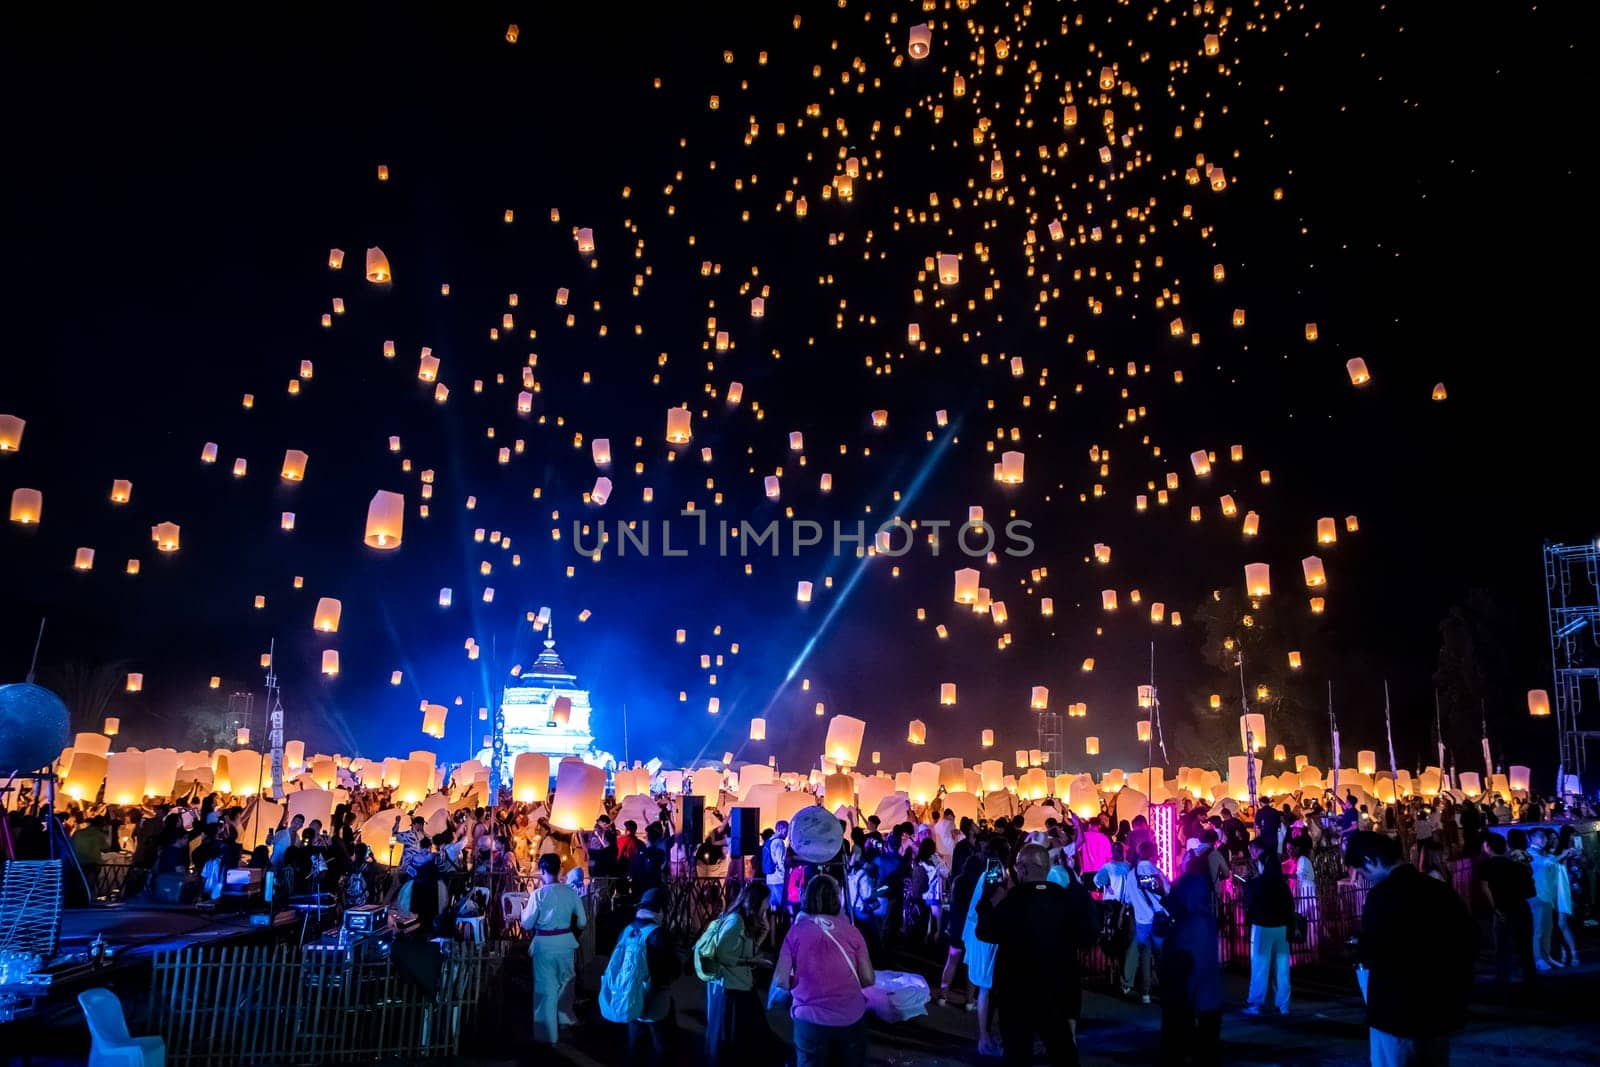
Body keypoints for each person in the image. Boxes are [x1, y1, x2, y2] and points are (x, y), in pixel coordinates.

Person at [1346, 831, 1476, 1065]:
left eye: (1364, 872)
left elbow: (1377, 950)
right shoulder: (1439, 890)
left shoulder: (1382, 896)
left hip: (1396, 1008)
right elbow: (1468, 940)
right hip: (1440, 1005)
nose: (1366, 878)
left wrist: (1360, 947)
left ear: (1369, 860)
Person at [976, 843, 1096, 1066]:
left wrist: (986, 901)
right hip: (1057, 987)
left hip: (1017, 990)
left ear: (1022, 868)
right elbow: (1087, 936)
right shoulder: (1065, 899)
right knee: (1062, 1048)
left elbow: (985, 931)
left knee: (1017, 1051)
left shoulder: (1014, 901)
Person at [773, 874, 874, 1067]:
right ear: (838, 899)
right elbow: (868, 979)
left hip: (809, 1020)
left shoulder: (796, 931)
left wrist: (801, 982)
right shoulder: (852, 931)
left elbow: (780, 980)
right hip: (850, 1019)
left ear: (807, 897)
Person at [701, 881, 773, 1067]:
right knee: (733, 1037)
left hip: (740, 984)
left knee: (743, 1037)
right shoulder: (735, 921)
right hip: (731, 988)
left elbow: (745, 950)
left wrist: (764, 933)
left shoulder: (745, 921)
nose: (768, 905)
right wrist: (751, 962)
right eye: (766, 901)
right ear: (757, 901)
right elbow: (723, 954)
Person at [1159, 855, 1223, 1066]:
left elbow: (1176, 960)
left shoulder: (1187, 926)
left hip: (1188, 994)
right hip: (1206, 997)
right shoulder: (1205, 919)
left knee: (1187, 1038)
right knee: (1207, 1041)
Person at [521, 853, 587, 1045]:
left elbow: (526, 924)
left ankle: (546, 1035)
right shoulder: (571, 893)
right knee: (566, 984)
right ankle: (565, 1022)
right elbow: (582, 921)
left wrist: (525, 911)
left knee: (545, 988)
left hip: (544, 945)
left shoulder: (538, 894)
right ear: (559, 869)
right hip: (566, 943)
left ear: (542, 870)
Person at [613, 888, 680, 1065]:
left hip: (629, 995)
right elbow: (672, 970)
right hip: (656, 996)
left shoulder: (627, 930)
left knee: (635, 1046)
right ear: (661, 909)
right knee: (663, 1046)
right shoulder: (659, 933)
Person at [1478, 833, 1536, 995]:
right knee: (1525, 948)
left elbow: (1485, 888)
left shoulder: (1486, 866)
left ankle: (1502, 984)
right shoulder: (1516, 865)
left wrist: (1495, 909)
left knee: (1503, 949)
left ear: (1488, 847)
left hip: (1503, 910)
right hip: (1522, 908)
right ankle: (1530, 982)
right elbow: (1530, 889)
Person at [1242, 838, 1293, 1016]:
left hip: (1263, 926)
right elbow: (1290, 906)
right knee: (1282, 968)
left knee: (1260, 966)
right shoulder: (1282, 886)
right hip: (1281, 927)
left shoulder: (1257, 885)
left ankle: (1256, 1003)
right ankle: (1284, 1004)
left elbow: (1249, 905)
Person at [1120, 839, 1168, 1003]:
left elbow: (1127, 898)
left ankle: (1146, 993)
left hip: (1141, 921)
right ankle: (1164, 990)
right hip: (1158, 920)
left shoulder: (1132, 874)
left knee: (1144, 957)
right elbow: (1167, 891)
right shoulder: (1156, 872)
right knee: (1161, 956)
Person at [1527, 830, 1562, 969]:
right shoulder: (1529, 853)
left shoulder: (1546, 854)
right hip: (1536, 896)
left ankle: (1546, 956)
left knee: (1548, 928)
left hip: (1547, 896)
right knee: (1538, 929)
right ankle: (1537, 959)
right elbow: (1544, 864)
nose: (1544, 840)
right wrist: (1561, 855)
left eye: (1545, 837)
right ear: (1532, 838)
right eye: (1541, 837)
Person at [765, 820, 790, 910]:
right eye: (786, 831)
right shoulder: (779, 842)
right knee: (782, 906)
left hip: (769, 878)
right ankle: (781, 924)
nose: (786, 834)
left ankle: (772, 924)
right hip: (779, 879)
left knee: (773, 907)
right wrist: (786, 874)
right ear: (780, 829)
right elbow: (781, 862)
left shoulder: (769, 841)